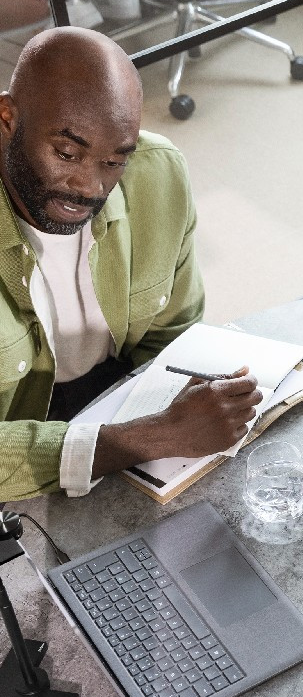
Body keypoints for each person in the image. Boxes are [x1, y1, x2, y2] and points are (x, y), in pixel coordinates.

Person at [0, 26, 261, 503]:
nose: (89, 188)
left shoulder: (158, 175)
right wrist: (153, 437)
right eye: (67, 153)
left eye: (114, 162)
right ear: (7, 118)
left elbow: (174, 334)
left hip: (119, 395)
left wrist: (199, 400)